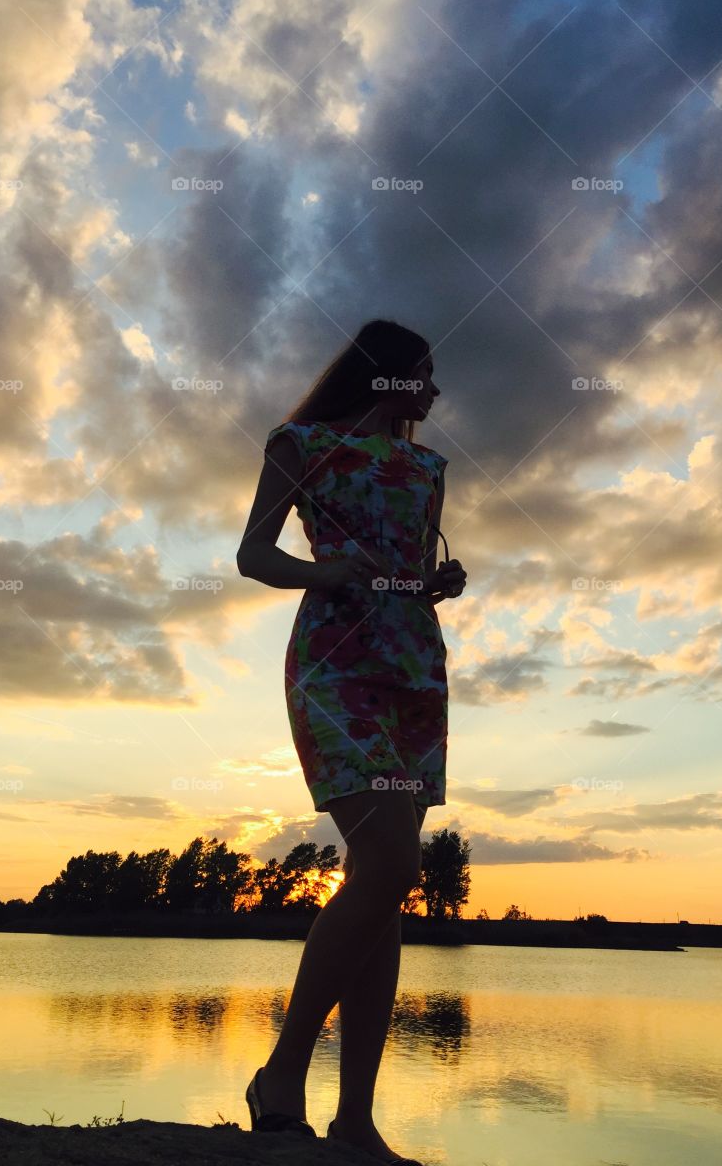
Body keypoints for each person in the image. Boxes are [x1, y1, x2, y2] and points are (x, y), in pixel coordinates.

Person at [237, 319, 466, 1165]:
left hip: (413, 671)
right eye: (425, 374)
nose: (435, 392)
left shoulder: (427, 469)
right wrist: (321, 571)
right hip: (334, 668)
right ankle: (282, 1072)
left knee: (385, 882)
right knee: (395, 868)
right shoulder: (300, 443)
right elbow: (253, 553)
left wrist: (436, 584)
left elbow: (408, 568)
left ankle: (356, 1122)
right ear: (390, 375)